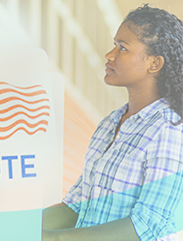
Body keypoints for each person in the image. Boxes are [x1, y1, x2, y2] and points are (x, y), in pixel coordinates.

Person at [42, 4, 183, 241]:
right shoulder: (110, 124)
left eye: (123, 48)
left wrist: (51, 239)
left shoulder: (170, 129)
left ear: (154, 64)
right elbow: (79, 204)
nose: (109, 54)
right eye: (114, 44)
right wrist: (19, 225)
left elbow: (150, 224)